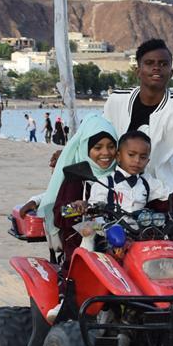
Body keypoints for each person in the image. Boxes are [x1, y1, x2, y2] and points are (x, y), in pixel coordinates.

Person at [102, 38, 173, 218]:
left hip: (169, 196)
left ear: (171, 72)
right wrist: (67, 154)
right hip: (122, 193)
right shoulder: (116, 100)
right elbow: (98, 138)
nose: (156, 68)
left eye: (163, 64)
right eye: (149, 63)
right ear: (138, 71)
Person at [36, 115, 119, 269]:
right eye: (98, 147)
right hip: (80, 245)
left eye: (111, 146)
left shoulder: (121, 175)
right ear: (85, 148)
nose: (106, 153)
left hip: (119, 242)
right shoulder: (75, 179)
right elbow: (60, 215)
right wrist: (76, 208)